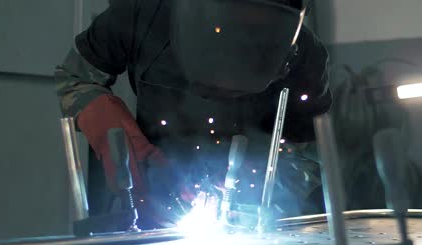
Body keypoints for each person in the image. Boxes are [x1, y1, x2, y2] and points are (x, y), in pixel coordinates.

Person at [54, 0, 332, 227]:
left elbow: (307, 155)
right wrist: (133, 152)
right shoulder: (142, 11)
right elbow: (75, 76)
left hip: (244, 225)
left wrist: (262, 195)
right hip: (149, 199)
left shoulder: (306, 57)